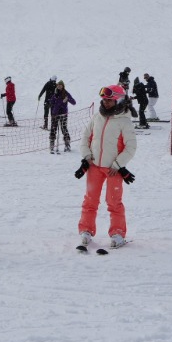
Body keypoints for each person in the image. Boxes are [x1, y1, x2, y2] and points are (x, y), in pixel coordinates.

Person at [75, 85, 136, 250]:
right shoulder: (97, 117)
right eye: (104, 100)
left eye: (109, 100)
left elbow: (131, 147)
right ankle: (86, 230)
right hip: (94, 167)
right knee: (90, 200)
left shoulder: (124, 121)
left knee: (114, 202)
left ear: (118, 101)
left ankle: (117, 233)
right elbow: (85, 138)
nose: (106, 103)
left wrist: (118, 164)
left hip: (113, 169)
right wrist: (87, 157)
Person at [47, 81, 76, 154]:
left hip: (63, 114)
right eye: (58, 85)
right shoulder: (55, 94)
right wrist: (54, 103)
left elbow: (74, 102)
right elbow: (52, 104)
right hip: (55, 114)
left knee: (64, 128)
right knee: (53, 129)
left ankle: (67, 144)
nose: (59, 86)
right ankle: (52, 144)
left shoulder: (66, 93)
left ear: (63, 86)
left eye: (61, 85)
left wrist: (67, 99)